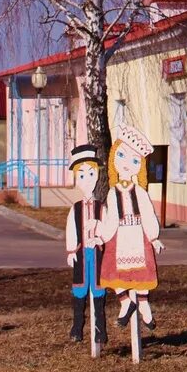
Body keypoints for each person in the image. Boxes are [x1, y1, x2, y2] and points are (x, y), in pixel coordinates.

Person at [99, 123, 165, 330]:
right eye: (122, 156)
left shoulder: (141, 193)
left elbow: (147, 214)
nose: (127, 164)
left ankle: (145, 307)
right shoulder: (112, 193)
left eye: (134, 160)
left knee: (140, 274)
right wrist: (102, 236)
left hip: (138, 234)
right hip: (120, 237)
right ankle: (126, 302)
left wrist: (154, 238)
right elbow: (111, 218)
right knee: (114, 272)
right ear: (114, 158)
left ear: (140, 166)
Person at [64, 144, 107, 345]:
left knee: (98, 290)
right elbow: (72, 229)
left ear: (96, 175)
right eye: (81, 175)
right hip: (82, 254)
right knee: (80, 290)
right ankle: (77, 326)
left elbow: (107, 228)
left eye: (90, 174)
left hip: (97, 253)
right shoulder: (76, 209)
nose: (87, 179)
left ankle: (100, 330)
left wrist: (100, 235)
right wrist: (72, 250)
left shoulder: (102, 208)